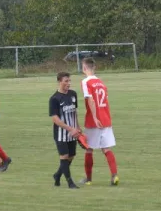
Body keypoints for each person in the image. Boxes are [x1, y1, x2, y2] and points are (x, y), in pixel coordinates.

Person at [79, 57, 119, 186]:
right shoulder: (102, 83)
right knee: (106, 148)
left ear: (84, 68)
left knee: (89, 149)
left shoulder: (85, 82)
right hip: (106, 119)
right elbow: (105, 101)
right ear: (94, 68)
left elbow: (90, 100)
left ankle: (88, 178)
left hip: (94, 120)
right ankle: (114, 175)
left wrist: (95, 117)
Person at [49, 72, 80, 189]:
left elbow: (74, 112)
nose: (69, 83)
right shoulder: (54, 99)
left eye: (69, 81)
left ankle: (57, 175)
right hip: (61, 134)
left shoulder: (73, 94)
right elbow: (55, 119)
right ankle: (70, 182)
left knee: (71, 156)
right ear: (59, 82)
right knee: (64, 156)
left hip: (73, 132)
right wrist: (70, 128)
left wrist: (77, 127)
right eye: (66, 81)